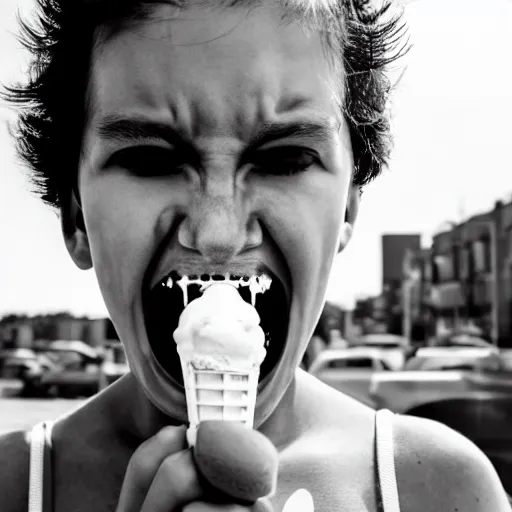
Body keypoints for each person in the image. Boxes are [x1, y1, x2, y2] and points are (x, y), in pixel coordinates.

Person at [1, 0, 510, 511]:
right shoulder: (12, 485)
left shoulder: (441, 488)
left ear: (349, 207)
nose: (218, 235)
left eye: (286, 159)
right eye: (149, 159)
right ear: (76, 218)